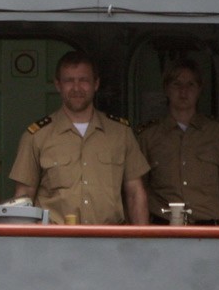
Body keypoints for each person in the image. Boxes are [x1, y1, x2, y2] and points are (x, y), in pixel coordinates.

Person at [10, 51, 151, 226]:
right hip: (53, 243)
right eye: (69, 80)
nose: (76, 88)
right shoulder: (37, 136)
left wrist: (143, 243)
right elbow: (23, 198)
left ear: (96, 84)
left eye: (83, 80)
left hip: (109, 241)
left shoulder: (120, 133)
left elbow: (135, 193)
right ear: (58, 85)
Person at [137, 61, 219, 224]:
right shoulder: (148, 136)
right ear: (166, 89)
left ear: (199, 89)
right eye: (177, 84)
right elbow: (138, 191)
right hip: (162, 228)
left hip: (209, 229)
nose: (183, 91)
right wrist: (139, 238)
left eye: (190, 84)